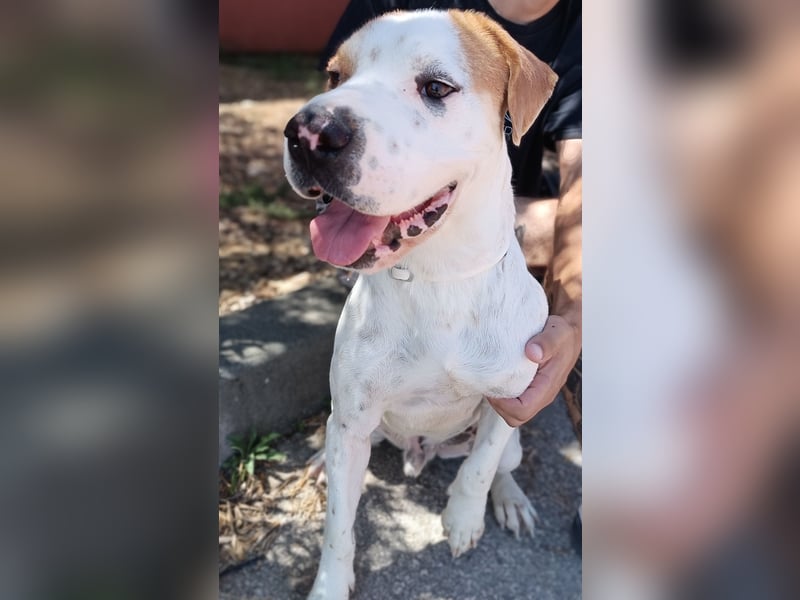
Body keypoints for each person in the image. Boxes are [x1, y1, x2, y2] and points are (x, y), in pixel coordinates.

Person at [320, 0, 582, 433]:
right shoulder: (391, 9)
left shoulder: (594, 36)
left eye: (436, 88)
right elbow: (333, 123)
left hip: (500, 234)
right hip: (391, 237)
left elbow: (586, 188)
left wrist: (573, 321)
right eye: (338, 76)